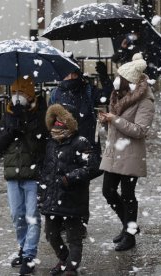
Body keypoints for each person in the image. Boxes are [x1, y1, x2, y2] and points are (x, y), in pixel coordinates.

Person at [98, 53, 155, 251]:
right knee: (108, 191)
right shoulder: (119, 96)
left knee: (128, 194)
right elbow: (116, 126)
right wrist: (106, 121)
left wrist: (114, 119)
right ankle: (128, 226)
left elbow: (140, 130)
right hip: (115, 152)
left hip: (130, 154)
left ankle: (129, 235)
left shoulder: (145, 100)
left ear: (128, 81)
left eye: (119, 77)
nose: (115, 80)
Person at [0, 76, 48, 275]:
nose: (18, 97)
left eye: (22, 93)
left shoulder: (40, 111)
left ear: (30, 94)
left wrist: (23, 121)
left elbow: (39, 143)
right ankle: (23, 247)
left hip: (33, 173)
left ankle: (29, 255)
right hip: (13, 173)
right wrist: (11, 128)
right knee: (17, 216)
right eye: (15, 92)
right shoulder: (8, 113)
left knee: (32, 215)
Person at [38, 103, 99, 276]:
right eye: (55, 119)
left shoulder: (80, 142)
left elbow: (93, 167)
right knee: (51, 234)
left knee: (74, 238)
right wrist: (42, 193)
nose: (58, 123)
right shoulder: (50, 143)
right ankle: (65, 260)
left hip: (73, 198)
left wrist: (68, 178)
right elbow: (46, 171)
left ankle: (71, 268)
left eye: (61, 119)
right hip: (53, 198)